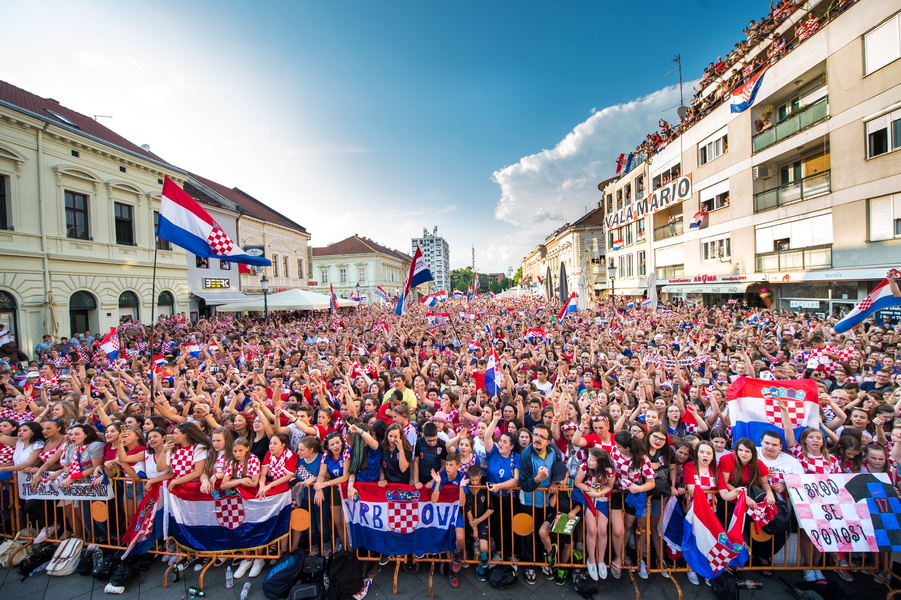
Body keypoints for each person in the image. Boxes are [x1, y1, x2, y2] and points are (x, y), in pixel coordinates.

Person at [573, 447, 614, 581]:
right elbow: (577, 482)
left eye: (592, 459)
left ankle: (600, 560)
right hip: (588, 498)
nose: (589, 460)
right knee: (592, 529)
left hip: (602, 499)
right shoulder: (584, 467)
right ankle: (591, 560)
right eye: (589, 458)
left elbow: (609, 486)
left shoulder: (609, 471)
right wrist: (589, 489)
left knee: (602, 530)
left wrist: (600, 492)